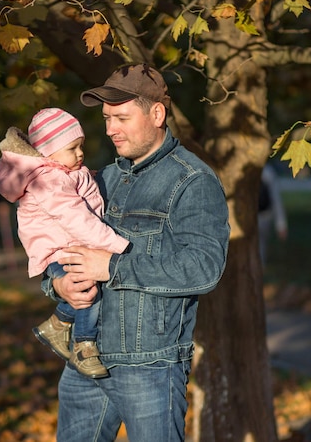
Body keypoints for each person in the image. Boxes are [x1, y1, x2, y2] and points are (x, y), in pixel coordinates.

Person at [44, 63, 230, 442]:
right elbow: (57, 240)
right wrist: (57, 284)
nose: (110, 128)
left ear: (157, 114)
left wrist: (112, 267)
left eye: (121, 117)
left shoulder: (192, 181)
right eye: (107, 118)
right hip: (84, 360)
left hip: (149, 366)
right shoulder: (101, 179)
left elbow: (204, 268)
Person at [0, 108, 129, 379]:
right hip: (59, 249)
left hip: (67, 245)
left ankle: (59, 322)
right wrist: (117, 247)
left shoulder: (64, 172)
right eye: (72, 148)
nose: (80, 153)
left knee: (85, 287)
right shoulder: (49, 181)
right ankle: (83, 345)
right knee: (87, 286)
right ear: (48, 152)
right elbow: (77, 219)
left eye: (81, 146)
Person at [258, 163, 288, 264]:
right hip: (264, 216)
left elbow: (276, 200)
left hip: (261, 216)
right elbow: (276, 200)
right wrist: (281, 225)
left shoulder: (267, 172)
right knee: (260, 246)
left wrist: (281, 225)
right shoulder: (268, 172)